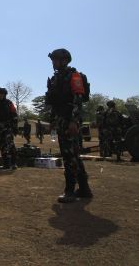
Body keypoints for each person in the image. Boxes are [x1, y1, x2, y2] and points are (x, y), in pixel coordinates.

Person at [45, 48, 92, 203]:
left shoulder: (74, 76)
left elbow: (78, 100)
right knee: (72, 155)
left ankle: (70, 190)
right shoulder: (57, 78)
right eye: (52, 59)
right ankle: (84, 189)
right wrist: (52, 120)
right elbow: (54, 103)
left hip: (69, 120)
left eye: (55, 59)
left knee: (69, 155)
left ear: (64, 60)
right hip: (61, 120)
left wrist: (73, 121)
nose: (53, 62)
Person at [0, 88, 18, 170]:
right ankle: (6, 165)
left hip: (8, 127)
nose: (0, 95)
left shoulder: (9, 103)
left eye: (1, 94)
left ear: (5, 95)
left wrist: (15, 127)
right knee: (2, 145)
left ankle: (13, 164)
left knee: (10, 145)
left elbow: (14, 115)